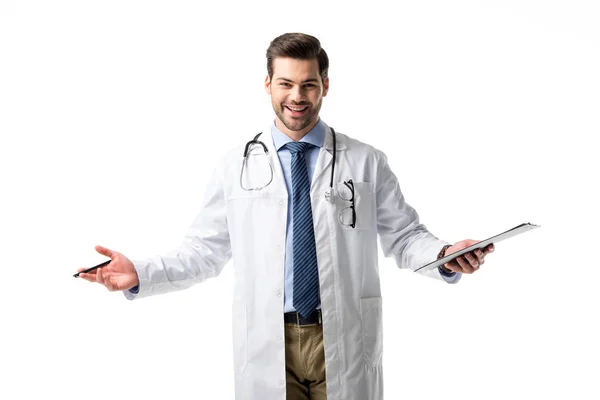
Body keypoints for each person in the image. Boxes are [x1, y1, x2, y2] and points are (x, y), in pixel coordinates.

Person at [77, 32, 495, 400]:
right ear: (267, 84)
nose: (297, 96)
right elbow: (204, 251)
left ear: (325, 86)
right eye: (286, 83)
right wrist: (142, 274)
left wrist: (444, 254)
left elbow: (404, 236)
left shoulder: (366, 161)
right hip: (267, 339)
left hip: (343, 336)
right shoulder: (233, 166)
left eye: (309, 84)